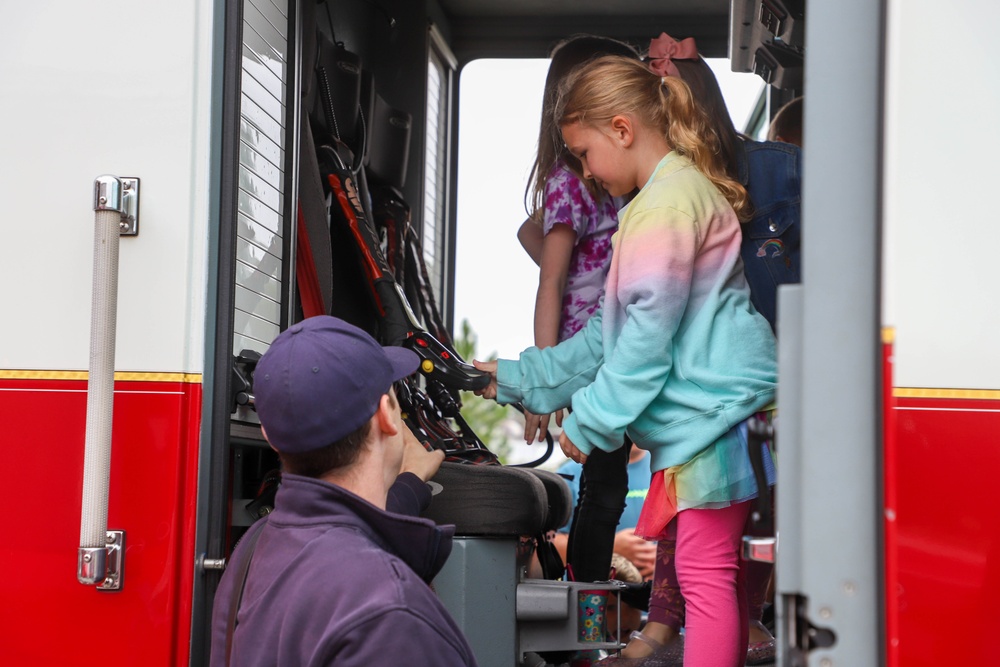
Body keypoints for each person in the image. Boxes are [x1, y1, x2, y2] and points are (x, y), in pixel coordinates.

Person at [474, 54, 777, 667]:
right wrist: (520, 379)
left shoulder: (664, 209)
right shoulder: (657, 202)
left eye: (584, 154)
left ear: (621, 129)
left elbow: (642, 346)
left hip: (719, 416)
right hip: (718, 414)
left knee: (705, 574)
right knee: (709, 572)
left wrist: (590, 423)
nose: (585, 173)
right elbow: (603, 340)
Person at [639, 32, 803, 665]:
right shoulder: (654, 195)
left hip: (772, 389)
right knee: (716, 558)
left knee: (729, 553)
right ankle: (725, 633)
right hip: (705, 398)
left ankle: (724, 630)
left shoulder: (779, 170)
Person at [209, 316, 477, 667]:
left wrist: (410, 482)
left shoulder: (254, 548)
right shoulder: (393, 615)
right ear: (387, 416)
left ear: (270, 437)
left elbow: (338, 526)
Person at [515, 35, 646, 588]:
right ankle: (589, 599)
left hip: (618, 341)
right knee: (605, 488)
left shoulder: (604, 179)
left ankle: (593, 599)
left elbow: (530, 235)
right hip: (588, 356)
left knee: (609, 483)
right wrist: (542, 377)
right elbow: (550, 281)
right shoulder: (574, 180)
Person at [553, 444, 655, 580]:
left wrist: (663, 563)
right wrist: (609, 548)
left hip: (652, 591)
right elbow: (545, 548)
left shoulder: (665, 470)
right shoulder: (570, 474)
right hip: (591, 592)